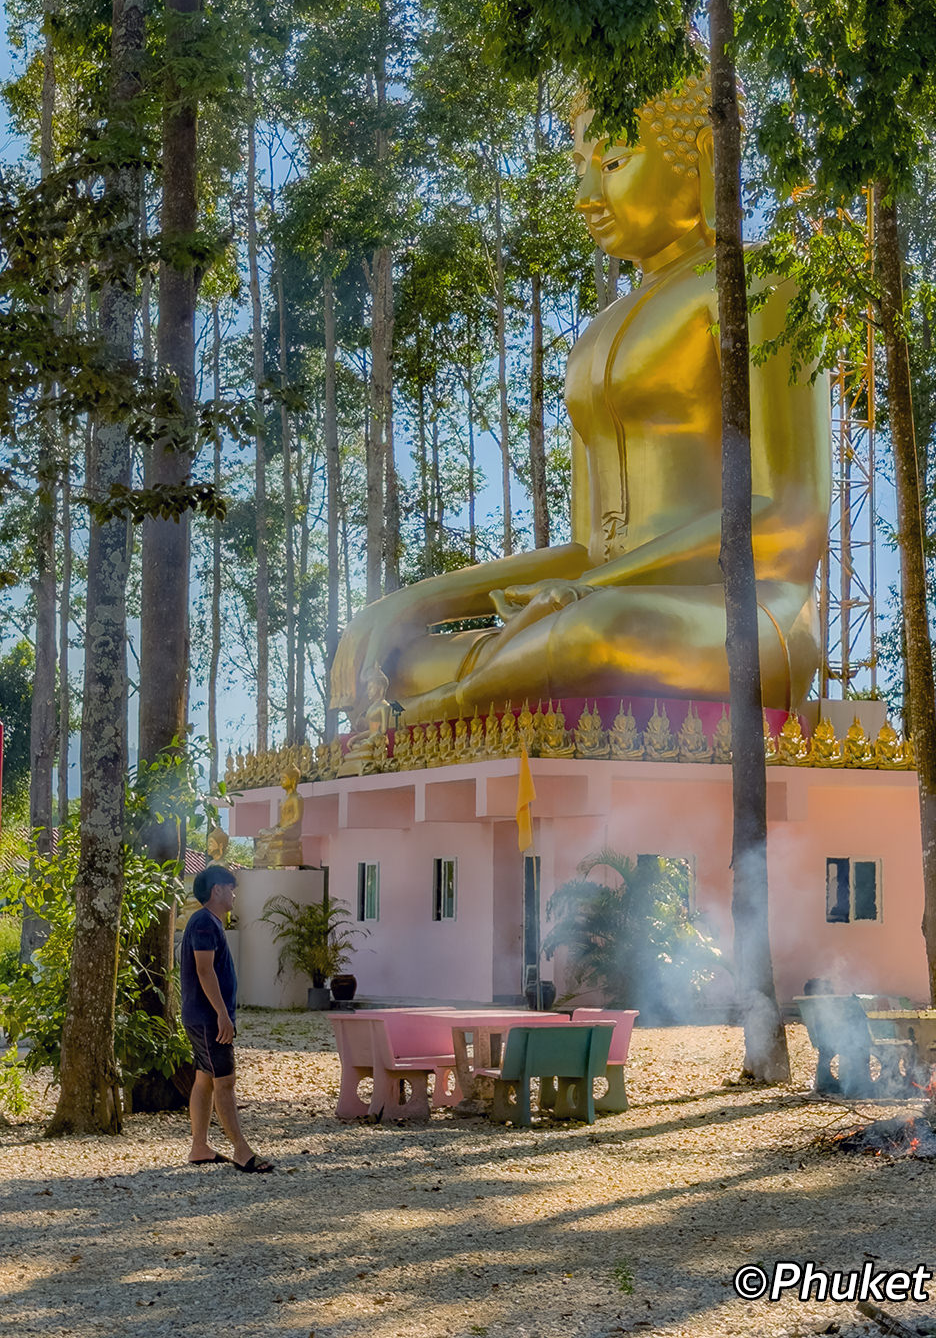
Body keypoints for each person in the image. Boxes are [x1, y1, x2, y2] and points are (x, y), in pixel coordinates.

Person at [331, 67, 829, 727]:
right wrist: (414, 602)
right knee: (402, 653)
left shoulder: (761, 284)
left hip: (741, 612)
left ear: (707, 152)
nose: (587, 196)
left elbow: (790, 517)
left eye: (614, 163)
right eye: (580, 169)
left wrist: (584, 590)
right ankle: (480, 680)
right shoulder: (596, 335)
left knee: (599, 633)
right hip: (591, 601)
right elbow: (587, 548)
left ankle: (440, 709)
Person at [180, 863, 273, 1173]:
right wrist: (222, 1014)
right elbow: (204, 970)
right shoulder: (205, 923)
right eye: (231, 888)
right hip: (208, 1018)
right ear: (217, 890)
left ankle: (200, 1147)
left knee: (205, 1078)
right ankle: (242, 1151)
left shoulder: (208, 922)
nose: (234, 894)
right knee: (225, 1080)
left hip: (202, 1016)